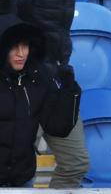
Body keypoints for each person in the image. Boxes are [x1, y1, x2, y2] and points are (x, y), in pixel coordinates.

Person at [0, 0, 89, 188]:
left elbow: (58, 30)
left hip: (54, 83)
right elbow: (4, 16)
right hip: (20, 84)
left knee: (76, 162)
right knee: (13, 168)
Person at [0, 14, 81, 187]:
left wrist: (68, 90)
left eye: (25, 46)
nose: (21, 54)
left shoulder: (39, 79)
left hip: (22, 180)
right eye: (14, 47)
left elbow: (57, 128)